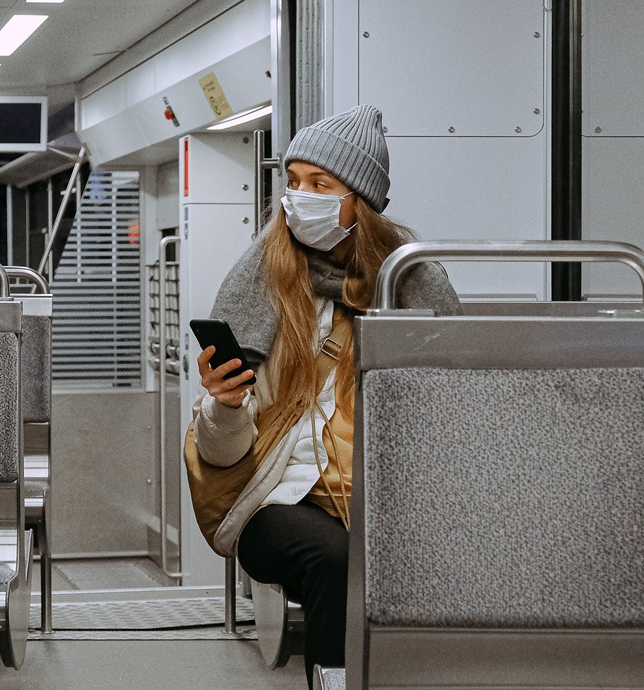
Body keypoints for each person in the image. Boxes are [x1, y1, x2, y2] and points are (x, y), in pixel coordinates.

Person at [186, 104, 461, 685]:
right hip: (278, 501)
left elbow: (450, 410)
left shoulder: (411, 283)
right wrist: (224, 406)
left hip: (387, 497)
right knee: (333, 559)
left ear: (359, 201)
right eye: (291, 182)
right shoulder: (261, 280)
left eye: (319, 183)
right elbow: (220, 456)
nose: (298, 197)